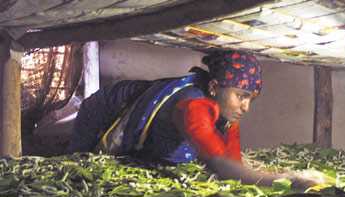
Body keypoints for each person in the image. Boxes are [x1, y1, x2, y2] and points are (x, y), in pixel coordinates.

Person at [68, 50, 328, 189]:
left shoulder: (227, 112)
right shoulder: (191, 106)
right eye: (242, 96)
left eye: (252, 99)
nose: (246, 107)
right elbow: (222, 168)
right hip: (105, 109)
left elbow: (231, 160)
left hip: (140, 100)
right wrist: (290, 181)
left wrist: (275, 173)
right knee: (77, 164)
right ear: (214, 87)